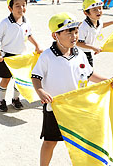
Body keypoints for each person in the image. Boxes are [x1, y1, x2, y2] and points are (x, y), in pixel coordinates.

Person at [31, 12, 113, 166]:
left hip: (77, 107)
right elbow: (36, 76)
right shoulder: (47, 56)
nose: (74, 36)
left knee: (79, 142)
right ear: (55, 35)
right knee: (50, 142)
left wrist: (107, 81)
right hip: (55, 108)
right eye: (69, 32)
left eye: (76, 32)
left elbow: (89, 74)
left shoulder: (80, 54)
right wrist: (40, 91)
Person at [0, 0, 42, 112]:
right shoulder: (5, 22)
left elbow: (29, 35)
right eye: (17, 5)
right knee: (6, 79)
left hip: (22, 57)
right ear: (10, 8)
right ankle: (1, 100)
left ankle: (16, 99)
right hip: (7, 56)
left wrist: (37, 45)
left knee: (20, 80)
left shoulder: (26, 21)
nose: (21, 8)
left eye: (24, 5)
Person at [76, 0, 113, 67]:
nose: (99, 11)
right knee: (84, 73)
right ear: (86, 13)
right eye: (94, 10)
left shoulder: (98, 21)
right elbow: (78, 43)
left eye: (100, 8)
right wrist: (93, 48)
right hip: (80, 54)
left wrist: (112, 22)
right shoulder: (84, 27)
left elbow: (101, 25)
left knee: (88, 71)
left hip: (88, 52)